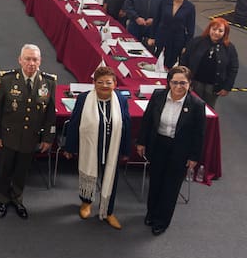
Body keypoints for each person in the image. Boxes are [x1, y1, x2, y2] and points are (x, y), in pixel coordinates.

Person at [137, 66, 205, 236]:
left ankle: (162, 221)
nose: (178, 86)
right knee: (155, 182)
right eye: (174, 82)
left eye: (183, 83)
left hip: (180, 150)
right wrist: (141, 142)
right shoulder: (158, 96)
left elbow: (199, 133)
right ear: (169, 82)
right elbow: (147, 120)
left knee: (171, 187)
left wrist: (194, 156)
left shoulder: (197, 105)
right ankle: (151, 213)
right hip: (158, 144)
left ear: (190, 84)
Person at [0, 44, 56, 219]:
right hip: (8, 136)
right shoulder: (7, 80)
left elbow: (50, 114)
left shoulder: (48, 82)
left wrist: (48, 138)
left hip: (30, 137)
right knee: (5, 170)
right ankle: (3, 199)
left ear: (40, 61)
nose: (31, 63)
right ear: (20, 60)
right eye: (27, 59)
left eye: (35, 59)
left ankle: (17, 199)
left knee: (22, 171)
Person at [63, 67, 131, 229]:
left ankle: (109, 212)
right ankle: (86, 203)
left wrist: (126, 150)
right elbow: (74, 124)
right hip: (90, 147)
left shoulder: (121, 100)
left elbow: (126, 125)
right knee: (89, 174)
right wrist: (69, 147)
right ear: (93, 83)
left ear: (115, 84)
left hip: (112, 149)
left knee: (112, 180)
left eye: (108, 82)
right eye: (100, 82)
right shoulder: (84, 99)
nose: (104, 85)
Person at [180, 17, 239, 108]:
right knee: (190, 106)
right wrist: (183, 78)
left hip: (213, 87)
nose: (216, 33)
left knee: (208, 109)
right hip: (194, 82)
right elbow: (185, 58)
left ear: (225, 33)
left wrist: (227, 87)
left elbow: (233, 68)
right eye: (214, 29)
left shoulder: (229, 48)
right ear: (209, 29)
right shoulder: (197, 41)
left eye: (220, 31)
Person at [148, 0, 196, 69]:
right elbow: (157, 20)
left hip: (177, 40)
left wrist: (186, 46)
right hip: (161, 37)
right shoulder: (164, 1)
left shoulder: (190, 7)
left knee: (169, 65)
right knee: (155, 61)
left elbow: (191, 29)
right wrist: (152, 37)